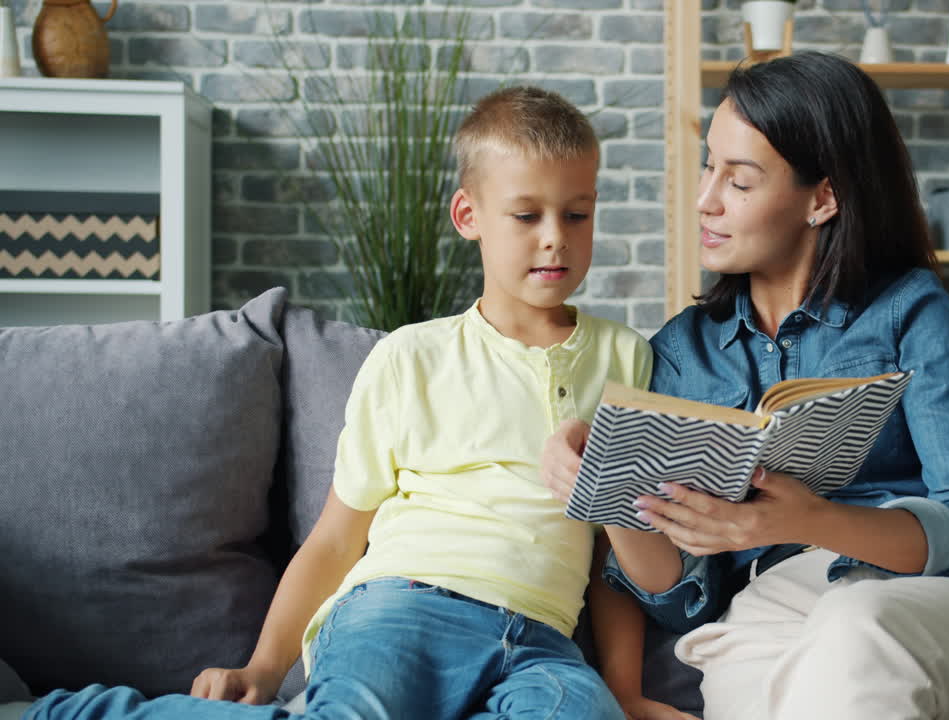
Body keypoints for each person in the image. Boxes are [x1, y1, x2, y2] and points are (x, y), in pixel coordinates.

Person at [23, 87, 694, 720]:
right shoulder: (412, 357)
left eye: (577, 214)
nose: (556, 237)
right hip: (403, 608)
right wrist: (263, 667)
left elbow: (613, 558)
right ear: (470, 217)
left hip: (541, 641)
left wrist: (624, 693)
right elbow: (336, 538)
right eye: (527, 215)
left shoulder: (625, 358)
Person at [542, 53, 949, 720]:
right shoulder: (683, 354)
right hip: (766, 622)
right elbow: (681, 598)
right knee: (780, 661)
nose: (705, 200)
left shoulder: (907, 311)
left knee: (854, 626)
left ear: (823, 198)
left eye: (739, 182)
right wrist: (609, 490)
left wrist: (811, 520)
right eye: (708, 166)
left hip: (944, 616)